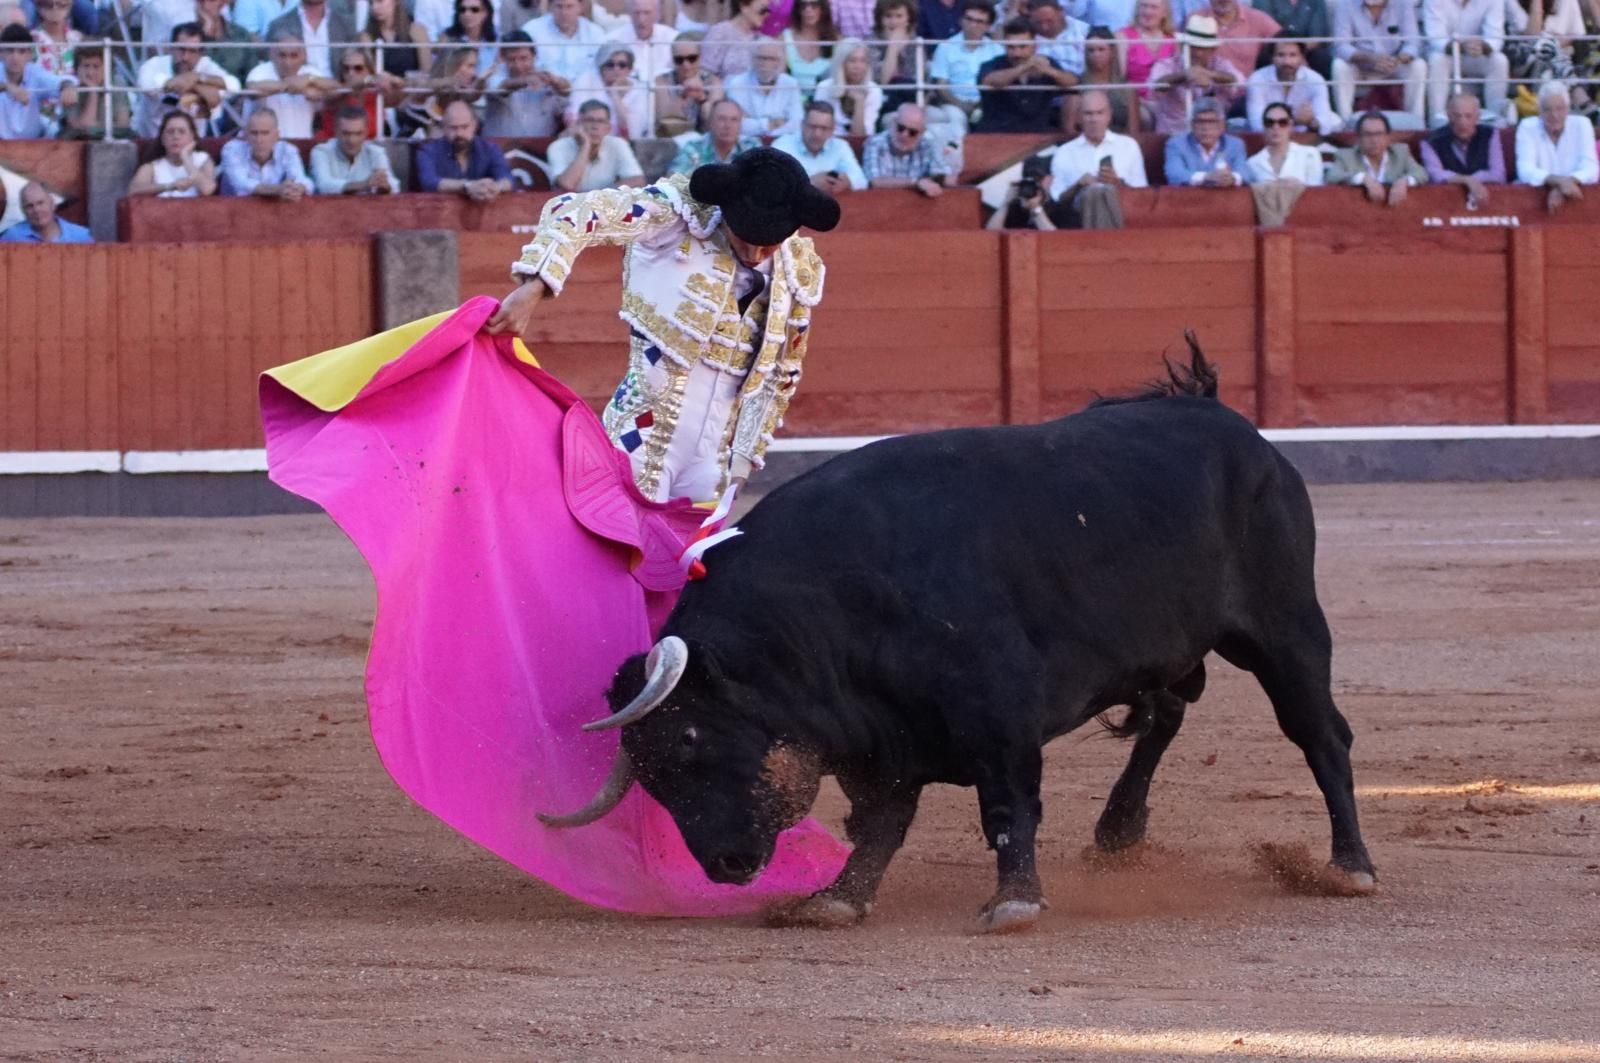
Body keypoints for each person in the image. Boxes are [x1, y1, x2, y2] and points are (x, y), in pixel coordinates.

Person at [486, 147, 840, 503]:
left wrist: (742, 465)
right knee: (616, 551)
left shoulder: (796, 268)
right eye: (744, 239)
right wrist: (535, 284)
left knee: (695, 557)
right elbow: (578, 210)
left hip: (715, 462)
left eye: (769, 246)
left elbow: (779, 376)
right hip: (640, 441)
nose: (755, 255)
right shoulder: (677, 215)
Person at [1049, 88, 1145, 228]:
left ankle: (1097, 243)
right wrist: (1078, 185)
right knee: (1093, 193)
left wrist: (1117, 183)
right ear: (1079, 117)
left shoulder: (1129, 146)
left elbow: (1141, 194)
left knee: (1105, 192)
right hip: (1079, 218)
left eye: (1100, 113)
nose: (1094, 119)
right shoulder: (1065, 151)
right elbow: (1057, 199)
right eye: (1088, 114)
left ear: (1109, 115)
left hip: (1121, 214)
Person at [133, 22, 238, 138]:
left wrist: (198, 77)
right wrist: (195, 83)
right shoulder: (154, 64)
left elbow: (234, 86)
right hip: (151, 140)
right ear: (171, 48)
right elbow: (146, 86)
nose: (185, 57)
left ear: (201, 53)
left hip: (192, 145)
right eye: (181, 49)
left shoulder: (206, 65)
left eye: (192, 51)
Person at [974, 16, 1076, 132]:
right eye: (1011, 47)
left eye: (1023, 47)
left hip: (1038, 135)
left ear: (1035, 46)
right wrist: (1025, 67)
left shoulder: (1045, 63)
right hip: (998, 135)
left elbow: (1073, 83)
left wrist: (1050, 71)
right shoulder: (993, 65)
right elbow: (989, 82)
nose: (1017, 53)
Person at [1146, 13, 1242, 134]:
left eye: (1203, 48)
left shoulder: (1220, 64)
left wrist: (1210, 75)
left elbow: (1238, 81)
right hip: (1174, 134)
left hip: (1212, 135)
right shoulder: (1169, 64)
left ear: (1213, 49)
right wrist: (1183, 75)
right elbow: (1155, 85)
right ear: (1183, 46)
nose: (1198, 53)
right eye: (1194, 47)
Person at [1331, 0, 1425, 123]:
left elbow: (1413, 43)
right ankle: (1345, 122)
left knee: (1418, 66)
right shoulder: (1346, 4)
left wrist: (1398, 60)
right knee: (1339, 66)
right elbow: (1341, 46)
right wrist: (1368, 58)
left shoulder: (1403, 3)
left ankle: (1416, 121)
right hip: (1361, 64)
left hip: (1393, 63)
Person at [1515, 79, 1598, 211]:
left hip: (1576, 202)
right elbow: (1525, 170)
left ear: (1568, 109)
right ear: (1539, 111)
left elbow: (1591, 169)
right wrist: (1560, 182)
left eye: (1560, 108)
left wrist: (1564, 186)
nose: (1554, 115)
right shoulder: (1527, 126)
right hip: (1534, 203)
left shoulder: (1582, 125)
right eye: (1547, 109)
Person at [1423, 0, 1507, 127]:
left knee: (1499, 61)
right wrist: (1460, 46)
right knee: (1437, 59)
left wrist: (1483, 46)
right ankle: (1436, 121)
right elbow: (1436, 38)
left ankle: (1495, 119)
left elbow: (1495, 37)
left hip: (1477, 54)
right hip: (1447, 54)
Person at [1419, 89, 1505, 205]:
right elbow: (1435, 175)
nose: (1462, 122)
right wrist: (1467, 180)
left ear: (1477, 117)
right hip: (1445, 201)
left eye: (1468, 116)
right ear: (1448, 116)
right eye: (1457, 116)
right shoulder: (1430, 141)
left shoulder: (1490, 134)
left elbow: (1498, 174)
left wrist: (1473, 179)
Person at [927, 0, 1000, 135]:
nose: (973, 25)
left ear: (988, 26)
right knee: (956, 119)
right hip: (954, 104)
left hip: (988, 103)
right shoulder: (945, 47)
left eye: (979, 21)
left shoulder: (996, 50)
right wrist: (961, 105)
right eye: (969, 19)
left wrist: (981, 104)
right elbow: (941, 86)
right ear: (961, 20)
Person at [1327, 109, 1428, 204]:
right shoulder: (1345, 155)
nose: (1374, 140)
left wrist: (1404, 181)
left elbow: (1421, 173)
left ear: (1388, 137)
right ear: (1358, 138)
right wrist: (1363, 178)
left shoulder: (1400, 152)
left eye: (1379, 134)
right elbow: (1332, 176)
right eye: (1367, 134)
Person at [416, 98, 513, 197]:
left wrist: (495, 188)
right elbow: (429, 182)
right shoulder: (428, 151)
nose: (459, 133)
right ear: (444, 127)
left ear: (474, 125)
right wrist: (467, 186)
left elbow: (507, 179)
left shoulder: (490, 149)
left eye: (465, 127)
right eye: (453, 128)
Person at [1246, 33, 1341, 134]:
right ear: (1272, 58)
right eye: (1280, 55)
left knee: (1335, 121)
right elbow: (1256, 125)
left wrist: (1311, 122)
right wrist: (1292, 119)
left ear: (1302, 57)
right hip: (1270, 137)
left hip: (1305, 135)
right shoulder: (1257, 79)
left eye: (1293, 55)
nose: (1287, 62)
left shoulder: (1315, 79)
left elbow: (1325, 124)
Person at [246, 33, 335, 139]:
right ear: (272, 55)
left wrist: (310, 79)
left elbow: (337, 89)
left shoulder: (310, 72)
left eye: (294, 56)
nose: (287, 62)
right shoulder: (260, 71)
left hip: (303, 142)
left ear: (303, 57)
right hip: (267, 145)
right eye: (282, 55)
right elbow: (252, 89)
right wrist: (288, 85)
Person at [771, 98, 868, 193]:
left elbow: (861, 180)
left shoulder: (840, 146)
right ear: (802, 125)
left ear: (832, 130)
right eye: (812, 126)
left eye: (824, 128)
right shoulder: (782, 145)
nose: (817, 134)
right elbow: (770, 184)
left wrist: (848, 182)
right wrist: (808, 183)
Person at [548, 97, 647, 190]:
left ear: (608, 128)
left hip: (604, 203)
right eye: (589, 120)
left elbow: (637, 180)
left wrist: (600, 196)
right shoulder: (558, 147)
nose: (595, 126)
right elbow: (566, 185)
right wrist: (585, 147)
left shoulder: (617, 144)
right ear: (578, 124)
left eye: (601, 121)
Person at [482, 30, 566, 136]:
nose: (518, 66)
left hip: (541, 148)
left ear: (534, 55)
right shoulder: (494, 73)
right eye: (512, 59)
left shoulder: (545, 71)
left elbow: (567, 91)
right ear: (503, 58)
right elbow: (501, 87)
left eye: (523, 58)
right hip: (501, 148)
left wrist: (555, 81)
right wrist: (526, 80)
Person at [1, 22, 77, 138]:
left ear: (29, 55)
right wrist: (8, 87)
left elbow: (57, 82)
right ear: (1, 53)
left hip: (33, 145)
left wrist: (68, 87)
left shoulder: (34, 72)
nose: (15, 57)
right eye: (10, 50)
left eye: (21, 51)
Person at [220, 106, 316, 197]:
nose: (259, 139)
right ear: (245, 135)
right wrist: (277, 190)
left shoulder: (287, 150)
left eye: (265, 133)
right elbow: (241, 185)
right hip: (232, 210)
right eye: (254, 133)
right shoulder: (232, 149)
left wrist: (297, 188)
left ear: (276, 135)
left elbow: (302, 180)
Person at [566, 40, 652, 135]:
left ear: (630, 69)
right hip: (587, 137)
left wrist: (615, 95)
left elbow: (632, 132)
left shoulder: (640, 91)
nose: (616, 69)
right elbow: (575, 120)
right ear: (601, 66)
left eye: (622, 65)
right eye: (610, 65)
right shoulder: (587, 80)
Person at [310, 104, 399, 194]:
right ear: (335, 131)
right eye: (346, 133)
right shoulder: (321, 151)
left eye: (358, 133)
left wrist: (385, 186)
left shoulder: (376, 152)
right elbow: (324, 185)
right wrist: (364, 184)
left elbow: (394, 185)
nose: (352, 140)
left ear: (366, 133)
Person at [1066, 25, 1140, 134]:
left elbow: (1133, 130)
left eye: (1101, 49)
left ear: (1112, 51)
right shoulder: (1077, 86)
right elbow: (1069, 130)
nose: (1096, 55)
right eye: (1091, 50)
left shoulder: (1127, 89)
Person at [127, 109, 219, 196]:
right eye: (170, 132)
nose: (175, 136)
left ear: (192, 137)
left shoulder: (203, 159)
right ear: (162, 139)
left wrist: (186, 158)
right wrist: (171, 186)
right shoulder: (153, 165)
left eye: (182, 132)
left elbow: (208, 189)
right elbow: (133, 190)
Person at [862, 102, 949, 193]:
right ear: (893, 123)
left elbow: (944, 176)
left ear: (922, 133)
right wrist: (916, 182)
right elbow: (875, 181)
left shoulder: (927, 146)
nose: (904, 135)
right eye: (900, 128)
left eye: (912, 132)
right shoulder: (876, 143)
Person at [724, 38, 803, 135]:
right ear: (752, 59)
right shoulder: (736, 83)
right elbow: (737, 125)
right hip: (747, 141)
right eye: (761, 58)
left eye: (772, 59)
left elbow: (797, 123)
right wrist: (770, 124)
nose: (766, 64)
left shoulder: (791, 84)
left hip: (781, 141)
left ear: (780, 62)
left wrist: (756, 124)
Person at [1164, 94, 1249, 184]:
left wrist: (1232, 178)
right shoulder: (1176, 144)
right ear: (1192, 125)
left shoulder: (1235, 144)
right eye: (1200, 122)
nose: (1205, 127)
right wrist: (1207, 177)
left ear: (1222, 125)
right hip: (1188, 197)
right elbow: (1174, 175)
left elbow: (1245, 174)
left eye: (1211, 122)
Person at [654, 31, 725, 135]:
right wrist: (683, 96)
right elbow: (664, 123)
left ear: (700, 57)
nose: (686, 65)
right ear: (673, 60)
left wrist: (702, 99)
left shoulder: (714, 82)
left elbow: (716, 125)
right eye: (679, 60)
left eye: (692, 58)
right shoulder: (662, 81)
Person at [58, 40, 132, 138]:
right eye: (86, 66)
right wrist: (93, 92)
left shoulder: (117, 83)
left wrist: (95, 128)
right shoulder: (70, 88)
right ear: (77, 68)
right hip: (77, 144)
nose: (90, 72)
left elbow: (123, 125)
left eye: (96, 66)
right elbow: (83, 128)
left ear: (107, 68)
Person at [266, 0, 356, 78]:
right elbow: (272, 68)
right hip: (297, 93)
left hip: (338, 92)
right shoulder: (279, 26)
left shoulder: (345, 23)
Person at [523, 0, 605, 84]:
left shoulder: (595, 33)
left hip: (584, 93)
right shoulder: (532, 30)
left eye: (569, 6)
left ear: (580, 7)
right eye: (559, 6)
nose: (564, 13)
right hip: (543, 92)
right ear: (550, 6)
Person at [813, 36, 882, 135]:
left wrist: (860, 102)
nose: (858, 66)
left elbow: (860, 137)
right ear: (841, 63)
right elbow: (820, 129)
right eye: (852, 61)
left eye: (862, 61)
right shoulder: (824, 88)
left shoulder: (874, 91)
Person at [669, 95, 759, 169]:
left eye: (734, 120)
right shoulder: (693, 148)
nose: (728, 125)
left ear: (740, 124)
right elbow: (673, 180)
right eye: (722, 119)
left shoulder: (752, 148)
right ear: (710, 123)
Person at [1246, 97, 1323, 182]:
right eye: (1269, 122)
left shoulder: (1309, 155)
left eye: (1282, 122)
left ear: (1291, 126)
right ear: (1264, 127)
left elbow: (1315, 190)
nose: (1276, 127)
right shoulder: (1252, 163)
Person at [985, 152, 1071, 228]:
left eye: (1038, 178)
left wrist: (1036, 210)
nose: (1034, 183)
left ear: (1051, 179)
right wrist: (1005, 204)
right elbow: (991, 235)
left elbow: (1057, 240)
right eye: (1028, 178)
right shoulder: (1015, 209)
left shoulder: (1061, 210)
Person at [1253, 0, 1332, 78]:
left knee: (1322, 58)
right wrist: (1290, 53)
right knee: (1265, 58)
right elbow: (1264, 29)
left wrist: (1298, 52)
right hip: (1275, 48)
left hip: (1307, 49)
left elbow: (1317, 36)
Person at [361, 0, 433, 82]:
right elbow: (371, 75)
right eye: (371, 3)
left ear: (396, 1)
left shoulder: (417, 31)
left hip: (412, 91)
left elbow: (427, 73)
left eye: (380, 1)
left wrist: (400, 82)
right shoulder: (366, 37)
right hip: (381, 91)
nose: (374, 7)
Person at [1116, 0, 1176, 99]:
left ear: (1164, 13)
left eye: (1154, 7)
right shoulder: (1123, 36)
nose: (1148, 12)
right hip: (1134, 101)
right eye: (1144, 6)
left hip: (1167, 102)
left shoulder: (1173, 39)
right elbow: (1120, 79)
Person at [607, 0, 679, 82]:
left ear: (657, 14)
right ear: (629, 14)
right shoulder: (613, 41)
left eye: (647, 13)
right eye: (637, 13)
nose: (641, 20)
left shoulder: (673, 39)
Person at [1, 180, 92, 241]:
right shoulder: (12, 236)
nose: (36, 210)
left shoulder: (80, 236)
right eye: (29, 206)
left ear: (52, 204)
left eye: (40, 203)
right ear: (23, 211)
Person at [195, 0, 258, 84]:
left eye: (211, 1)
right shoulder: (188, 36)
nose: (205, 6)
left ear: (222, 3)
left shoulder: (240, 35)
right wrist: (204, 35)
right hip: (201, 94)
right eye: (201, 1)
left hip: (238, 94)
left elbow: (252, 74)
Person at [701, 0, 768, 78]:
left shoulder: (761, 39)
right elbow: (703, 73)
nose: (766, 14)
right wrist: (715, 83)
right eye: (763, 10)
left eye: (768, 11)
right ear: (744, 6)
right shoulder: (720, 32)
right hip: (723, 89)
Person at [782, 0, 836, 90]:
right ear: (797, 9)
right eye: (803, 5)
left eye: (814, 5)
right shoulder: (784, 38)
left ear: (823, 8)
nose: (808, 10)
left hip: (825, 100)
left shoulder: (836, 40)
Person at [1027, 0, 1087, 78]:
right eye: (1038, 23)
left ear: (1061, 12)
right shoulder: (1026, 35)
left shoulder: (1084, 31)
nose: (1044, 27)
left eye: (1049, 21)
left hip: (1082, 85)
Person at [441, 0, 499, 73]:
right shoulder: (447, 37)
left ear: (485, 13)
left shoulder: (497, 37)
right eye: (462, 10)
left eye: (474, 10)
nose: (467, 14)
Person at [29, 0, 81, 76]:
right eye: (48, 4)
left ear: (70, 5)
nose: (55, 7)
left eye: (61, 4)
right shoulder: (31, 39)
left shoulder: (78, 38)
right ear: (39, 7)